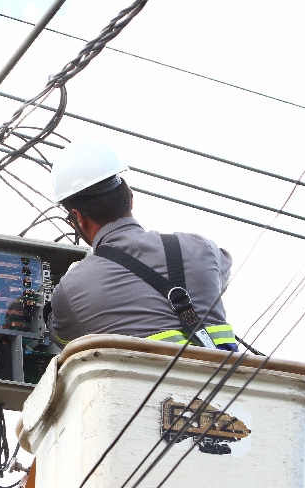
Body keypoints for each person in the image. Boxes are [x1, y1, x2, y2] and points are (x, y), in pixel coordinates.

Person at [46, 140, 237, 351]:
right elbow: (220, 279)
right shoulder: (200, 247)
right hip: (226, 372)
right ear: (130, 197)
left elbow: (61, 337)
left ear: (78, 218)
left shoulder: (72, 288)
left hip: (146, 375)